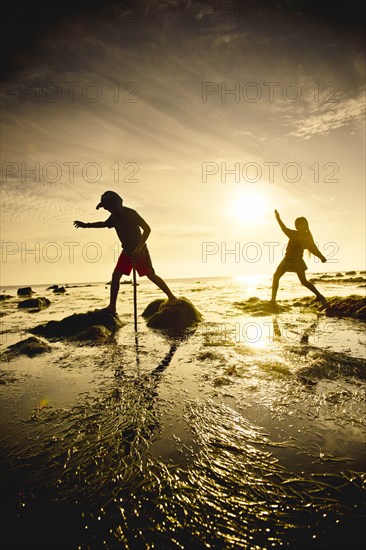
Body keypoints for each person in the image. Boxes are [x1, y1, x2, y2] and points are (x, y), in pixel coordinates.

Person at [74, 191, 178, 314]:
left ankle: (172, 298)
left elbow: (147, 229)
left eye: (109, 207)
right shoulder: (113, 217)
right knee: (116, 276)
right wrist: (87, 225)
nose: (108, 210)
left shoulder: (131, 213)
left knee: (150, 275)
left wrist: (139, 248)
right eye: (106, 208)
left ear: (116, 204)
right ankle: (112, 307)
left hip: (140, 250)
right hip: (127, 251)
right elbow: (104, 223)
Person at [270, 209, 327, 303]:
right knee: (276, 276)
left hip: (297, 262)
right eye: (296, 224)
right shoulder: (293, 233)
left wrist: (321, 257)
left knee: (304, 281)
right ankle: (273, 300)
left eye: (299, 223)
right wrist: (278, 218)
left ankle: (319, 296)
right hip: (287, 259)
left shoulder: (306, 237)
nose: (296, 225)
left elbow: (313, 249)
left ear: (304, 225)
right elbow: (283, 228)